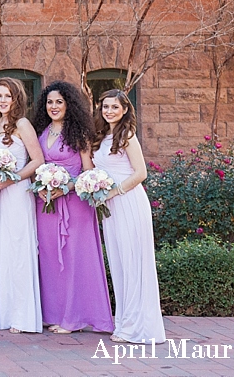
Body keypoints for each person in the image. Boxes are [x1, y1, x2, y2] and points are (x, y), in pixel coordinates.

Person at [31, 81, 113, 335]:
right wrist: (41, 187)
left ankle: (74, 317)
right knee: (49, 257)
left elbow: (89, 172)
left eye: (59, 102)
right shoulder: (41, 131)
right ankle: (53, 313)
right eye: (49, 102)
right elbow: (36, 165)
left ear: (69, 105)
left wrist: (66, 187)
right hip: (46, 204)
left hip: (74, 204)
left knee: (74, 258)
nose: (53, 106)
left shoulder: (80, 133)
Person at [92, 89, 166, 344]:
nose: (109, 111)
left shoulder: (128, 136)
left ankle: (137, 327)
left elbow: (141, 173)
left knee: (133, 263)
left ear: (125, 110)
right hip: (110, 209)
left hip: (129, 203)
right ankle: (124, 322)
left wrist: (113, 192)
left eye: (114, 107)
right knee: (120, 264)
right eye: (105, 107)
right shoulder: (102, 136)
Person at [0, 78, 43, 334]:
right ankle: (1, 313)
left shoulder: (22, 125)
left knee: (17, 250)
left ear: (17, 99)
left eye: (8, 96)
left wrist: (12, 179)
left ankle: (21, 315)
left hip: (17, 194)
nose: (3, 100)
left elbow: (37, 160)